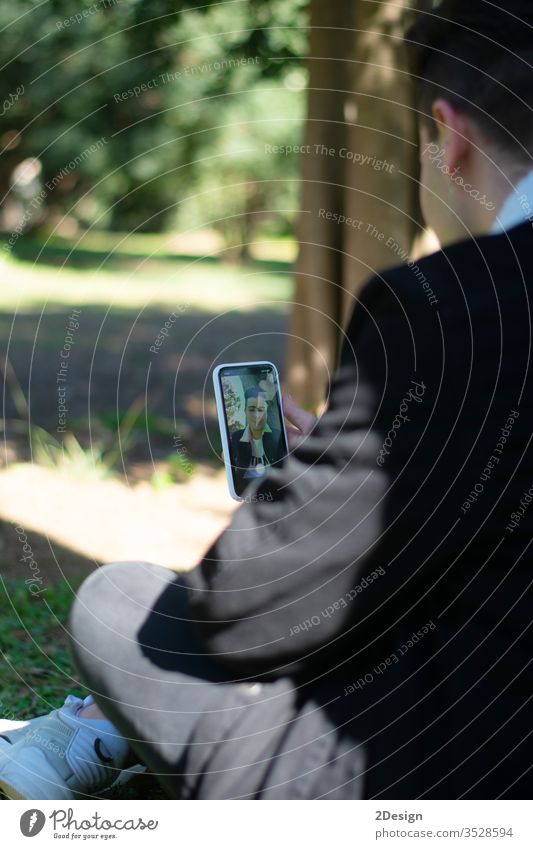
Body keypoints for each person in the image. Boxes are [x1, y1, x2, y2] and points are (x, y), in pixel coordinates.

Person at [2, 0, 533, 800]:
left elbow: (244, 607)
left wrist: (307, 500)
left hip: (446, 777)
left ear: (449, 133)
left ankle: (98, 739)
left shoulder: (450, 305)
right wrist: (372, 457)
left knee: (122, 604)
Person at [229, 386, 286, 494]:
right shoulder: (236, 437)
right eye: (251, 409)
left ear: (267, 411)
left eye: (260, 409)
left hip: (275, 489)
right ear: (245, 411)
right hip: (246, 491)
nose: (256, 415)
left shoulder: (278, 435)